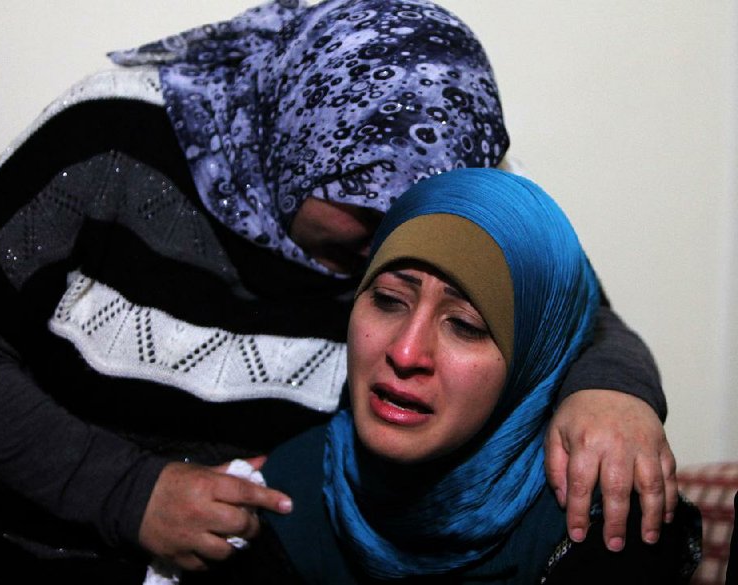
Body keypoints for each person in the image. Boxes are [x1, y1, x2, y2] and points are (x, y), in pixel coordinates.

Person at [0, 0, 673, 582]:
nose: (396, 240)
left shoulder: (448, 155)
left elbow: (572, 314)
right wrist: (127, 492)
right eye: (367, 209)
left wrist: (613, 390)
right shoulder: (108, 150)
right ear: (296, 146)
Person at [237, 167, 701, 584]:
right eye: (388, 300)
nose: (405, 351)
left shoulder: (606, 519)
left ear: (532, 360)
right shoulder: (286, 493)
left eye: (465, 326)